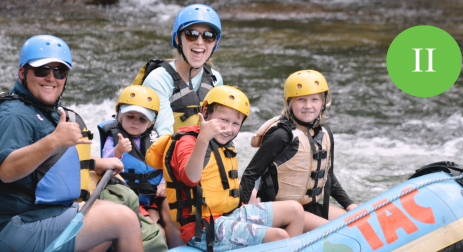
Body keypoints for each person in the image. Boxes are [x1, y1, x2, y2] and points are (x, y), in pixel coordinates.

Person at [0, 35, 143, 251]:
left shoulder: (42, 109)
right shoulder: (14, 115)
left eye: (59, 72)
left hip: (42, 214)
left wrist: (94, 163)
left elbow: (46, 162)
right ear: (22, 73)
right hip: (18, 223)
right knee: (125, 220)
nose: (51, 78)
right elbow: (7, 171)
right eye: (42, 70)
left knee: (103, 236)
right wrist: (54, 140)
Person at [146, 85, 325, 252]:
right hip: (202, 227)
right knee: (279, 236)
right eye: (224, 120)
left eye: (235, 124)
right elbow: (191, 178)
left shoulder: (222, 143)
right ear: (205, 112)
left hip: (230, 214)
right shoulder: (187, 142)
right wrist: (203, 139)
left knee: (294, 210)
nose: (229, 129)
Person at [240, 70, 359, 223]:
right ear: (288, 103)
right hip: (281, 213)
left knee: (357, 220)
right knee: (337, 230)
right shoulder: (281, 136)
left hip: (309, 207)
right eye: (301, 99)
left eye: (314, 99)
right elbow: (251, 174)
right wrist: (241, 214)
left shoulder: (325, 133)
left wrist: (349, 204)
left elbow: (328, 175)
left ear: (323, 102)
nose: (308, 106)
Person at [142, 3, 224, 136]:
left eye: (208, 36)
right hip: (168, 152)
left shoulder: (215, 79)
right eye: (191, 34)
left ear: (215, 43)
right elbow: (164, 138)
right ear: (178, 39)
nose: (199, 42)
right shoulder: (158, 81)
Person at [98, 85, 167, 240]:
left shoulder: (157, 141)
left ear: (150, 123)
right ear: (120, 116)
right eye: (130, 117)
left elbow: (164, 167)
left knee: (161, 228)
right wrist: (119, 150)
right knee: (157, 232)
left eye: (142, 119)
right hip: (124, 197)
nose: (135, 122)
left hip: (150, 197)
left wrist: (163, 183)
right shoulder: (113, 139)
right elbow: (105, 163)